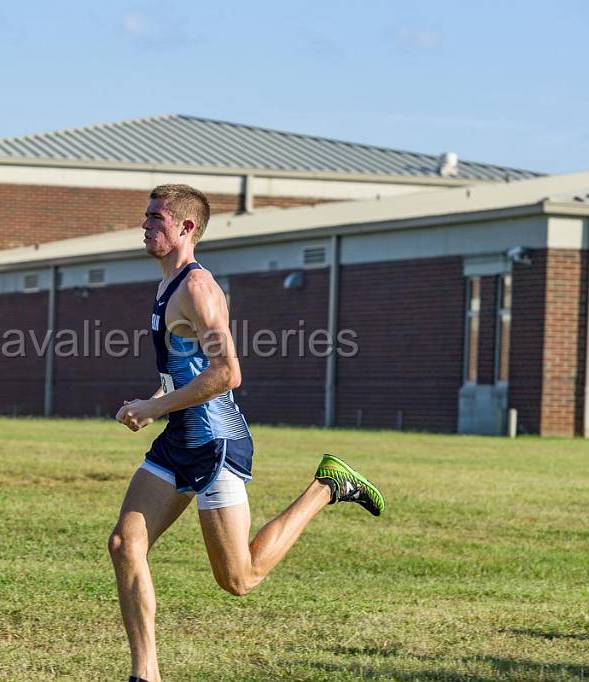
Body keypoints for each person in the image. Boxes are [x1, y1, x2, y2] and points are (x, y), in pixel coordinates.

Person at [110, 184, 385, 682]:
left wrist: (153, 406)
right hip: (180, 440)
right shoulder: (168, 284)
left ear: (186, 228)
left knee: (239, 578)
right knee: (125, 545)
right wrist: (155, 406)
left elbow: (227, 373)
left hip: (215, 442)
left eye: (157, 218)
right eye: (147, 216)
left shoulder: (198, 289)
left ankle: (327, 487)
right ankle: (144, 674)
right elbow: (190, 369)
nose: (146, 224)